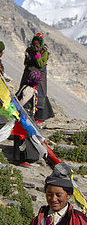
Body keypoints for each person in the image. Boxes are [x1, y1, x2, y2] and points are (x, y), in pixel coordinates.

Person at [12, 33, 54, 166]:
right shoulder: (28, 51)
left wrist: (36, 54)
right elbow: (26, 62)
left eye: (37, 45)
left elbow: (41, 63)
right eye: (33, 45)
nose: (35, 47)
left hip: (37, 85)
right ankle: (23, 156)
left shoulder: (44, 53)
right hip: (27, 83)